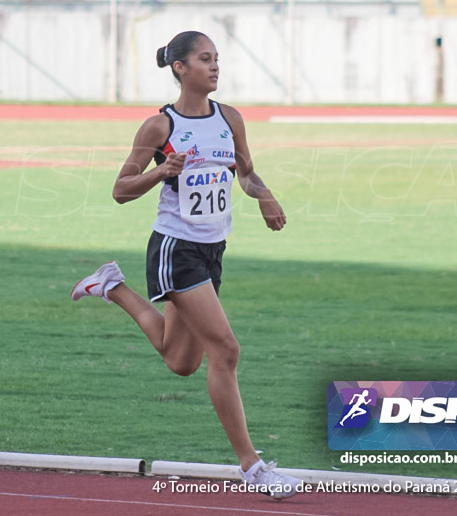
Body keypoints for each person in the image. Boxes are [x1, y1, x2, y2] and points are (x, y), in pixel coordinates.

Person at [71, 31, 302, 500]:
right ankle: (252, 467)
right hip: (175, 249)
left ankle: (112, 286)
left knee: (181, 361)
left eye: (217, 59)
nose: (215, 67)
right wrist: (161, 171)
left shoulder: (229, 118)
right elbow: (122, 188)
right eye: (204, 59)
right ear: (180, 68)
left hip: (212, 250)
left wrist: (266, 197)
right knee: (226, 351)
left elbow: (246, 172)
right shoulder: (161, 127)